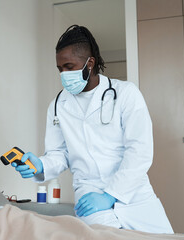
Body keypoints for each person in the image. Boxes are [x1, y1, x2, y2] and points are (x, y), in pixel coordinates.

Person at [12, 25, 174, 234]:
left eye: (69, 67)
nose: (63, 74)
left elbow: (140, 151)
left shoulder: (125, 93)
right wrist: (40, 165)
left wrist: (111, 195)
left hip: (134, 193)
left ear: (90, 63)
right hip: (89, 195)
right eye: (60, 69)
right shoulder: (58, 105)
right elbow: (60, 154)